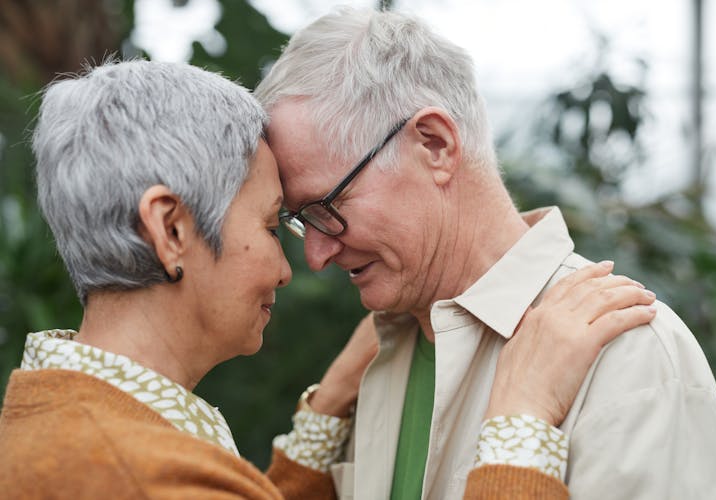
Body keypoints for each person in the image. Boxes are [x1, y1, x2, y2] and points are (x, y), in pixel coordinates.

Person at [0, 60, 656, 499]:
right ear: (171, 229)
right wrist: (521, 420)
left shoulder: (68, 429)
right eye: (268, 223)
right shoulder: (129, 470)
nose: (294, 266)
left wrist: (328, 407)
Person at [254, 7, 716, 500]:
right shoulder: (375, 357)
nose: (315, 255)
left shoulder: (629, 356)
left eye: (328, 206)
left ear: (435, 144)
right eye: (301, 220)